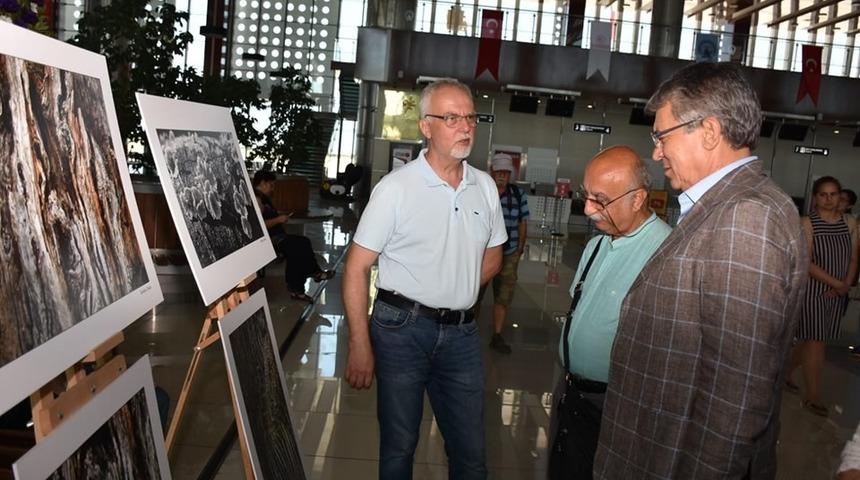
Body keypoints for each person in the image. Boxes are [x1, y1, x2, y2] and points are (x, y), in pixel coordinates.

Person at [593, 62, 809, 479]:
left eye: (661, 136)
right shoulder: (725, 207)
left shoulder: (746, 217)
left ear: (708, 131)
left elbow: (736, 393)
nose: (656, 152)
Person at [342, 78, 506, 480]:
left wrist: (456, 288)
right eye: (452, 118)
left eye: (470, 117)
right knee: (399, 446)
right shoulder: (396, 188)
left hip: (462, 337)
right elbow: (357, 267)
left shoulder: (484, 187)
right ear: (426, 127)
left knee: (470, 453)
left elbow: (494, 256)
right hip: (401, 330)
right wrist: (360, 343)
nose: (466, 126)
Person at [548, 146, 671, 480]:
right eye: (586, 196)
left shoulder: (665, 254)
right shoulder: (596, 245)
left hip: (618, 406)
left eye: (600, 200)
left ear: (637, 198)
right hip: (571, 393)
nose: (588, 210)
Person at [785, 176, 858, 416]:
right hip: (813, 290)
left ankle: (782, 374)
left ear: (840, 196)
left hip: (838, 291)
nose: (828, 199)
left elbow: (853, 258)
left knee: (810, 340)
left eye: (833, 194)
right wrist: (837, 283)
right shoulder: (807, 222)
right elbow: (807, 262)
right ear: (816, 197)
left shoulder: (850, 223)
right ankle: (813, 396)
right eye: (823, 194)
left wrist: (845, 284)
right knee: (816, 340)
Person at [473, 152, 529, 354]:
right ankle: (466, 332)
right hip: (483, 255)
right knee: (474, 294)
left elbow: (523, 221)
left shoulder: (518, 195)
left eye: (506, 172)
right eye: (499, 172)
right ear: (492, 172)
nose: (502, 176)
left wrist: (520, 248)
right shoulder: (482, 193)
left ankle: (497, 336)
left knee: (503, 297)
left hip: (509, 253)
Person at [252, 170, 334, 302]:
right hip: (269, 241)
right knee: (299, 245)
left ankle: (300, 288)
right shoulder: (256, 199)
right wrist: (278, 220)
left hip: (276, 237)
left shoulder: (263, 198)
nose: (273, 189)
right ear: (262, 183)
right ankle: (313, 275)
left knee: (299, 247)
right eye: (271, 185)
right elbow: (258, 225)